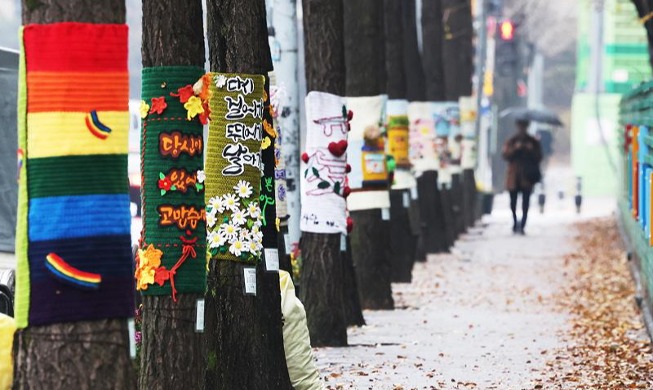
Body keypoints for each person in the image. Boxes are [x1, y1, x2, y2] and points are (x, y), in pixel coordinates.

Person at [502, 120, 542, 234]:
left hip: (527, 176)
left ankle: (523, 223)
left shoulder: (533, 142)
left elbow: (539, 157)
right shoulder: (512, 141)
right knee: (513, 202)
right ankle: (515, 222)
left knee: (526, 201)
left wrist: (530, 150)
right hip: (513, 177)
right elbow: (505, 155)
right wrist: (515, 148)